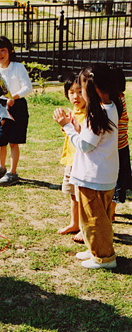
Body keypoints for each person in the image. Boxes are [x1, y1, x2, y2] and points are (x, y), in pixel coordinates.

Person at [53, 63, 121, 269]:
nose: (80, 93)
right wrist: (77, 126)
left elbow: (84, 145)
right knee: (98, 218)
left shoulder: (96, 115)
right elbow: (94, 137)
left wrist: (66, 127)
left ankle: (104, 257)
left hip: (92, 178)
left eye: (82, 88)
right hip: (104, 175)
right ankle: (95, 249)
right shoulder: (110, 108)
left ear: (94, 88)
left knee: (94, 220)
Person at [0, 36, 33, 187]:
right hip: (1, 107)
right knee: (1, 141)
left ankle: (12, 173)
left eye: (3, 50)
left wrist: (14, 97)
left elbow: (28, 87)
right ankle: (1, 168)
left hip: (17, 107)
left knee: (13, 141)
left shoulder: (18, 67)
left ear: (10, 51)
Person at [56, 73, 86, 238]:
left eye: (80, 91)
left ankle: (84, 227)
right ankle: (74, 223)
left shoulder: (89, 113)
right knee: (73, 195)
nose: (76, 96)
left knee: (82, 197)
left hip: (82, 163)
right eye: (71, 92)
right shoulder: (72, 111)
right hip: (70, 161)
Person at [109, 66, 132, 220]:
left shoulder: (113, 100)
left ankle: (110, 213)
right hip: (122, 145)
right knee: (117, 179)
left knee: (114, 180)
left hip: (115, 147)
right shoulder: (120, 96)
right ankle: (111, 211)